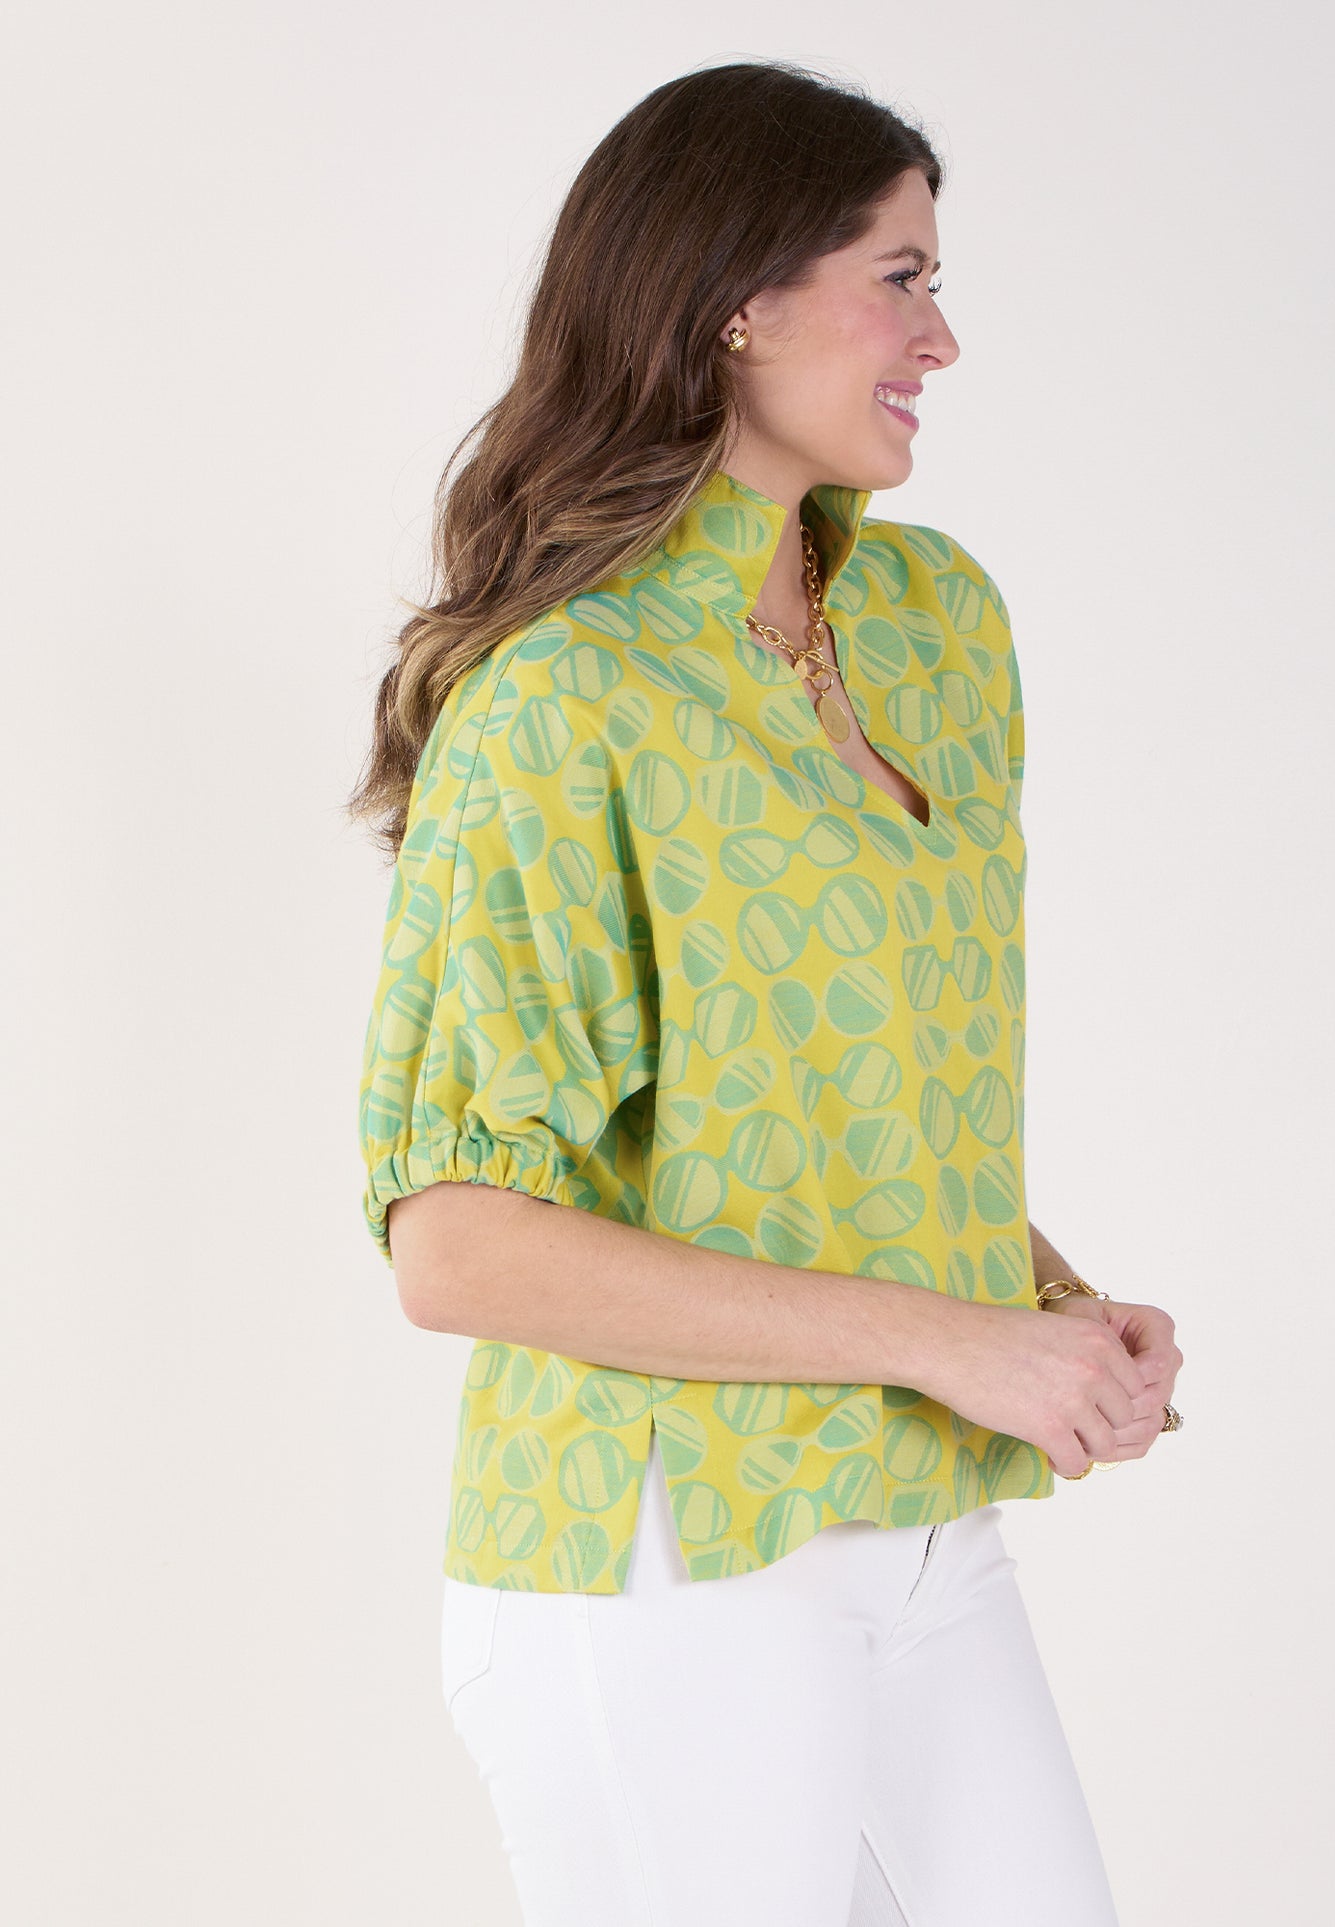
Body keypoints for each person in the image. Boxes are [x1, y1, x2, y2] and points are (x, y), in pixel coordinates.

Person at [347, 58, 1184, 1927]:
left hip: (922, 1532)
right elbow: (456, 1247)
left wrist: (1040, 1307)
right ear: (736, 298)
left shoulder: (933, 627)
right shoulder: (564, 698)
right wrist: (953, 1342)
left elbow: (822, 1115)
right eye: (899, 278)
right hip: (659, 1550)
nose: (940, 337)